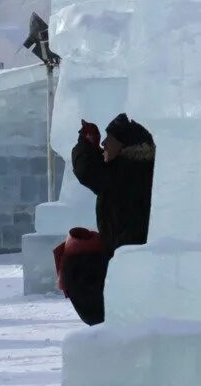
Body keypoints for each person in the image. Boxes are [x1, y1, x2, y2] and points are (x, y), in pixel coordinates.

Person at [58, 112, 156, 325]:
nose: (103, 143)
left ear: (124, 145)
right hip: (131, 251)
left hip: (127, 254)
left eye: (109, 139)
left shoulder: (127, 171)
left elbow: (88, 170)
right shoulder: (140, 168)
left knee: (76, 268)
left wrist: (85, 142)